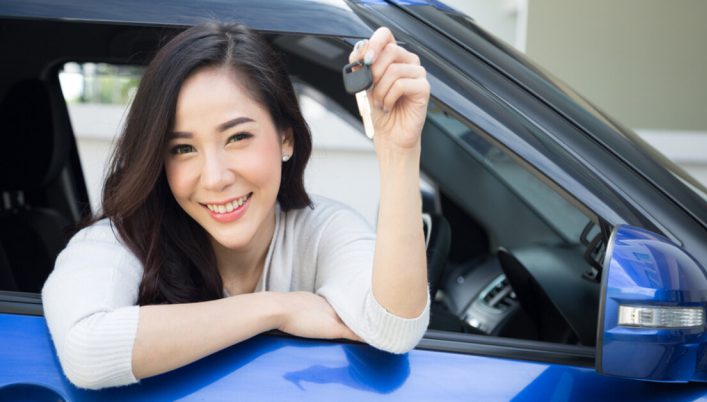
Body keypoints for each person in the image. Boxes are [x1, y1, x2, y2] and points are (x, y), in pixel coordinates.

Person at [42, 22, 430, 390]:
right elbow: (87, 348)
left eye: (237, 137)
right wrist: (276, 309)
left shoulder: (321, 230)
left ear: (286, 139)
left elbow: (393, 326)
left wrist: (398, 151)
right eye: (183, 148)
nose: (214, 178)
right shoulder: (121, 240)